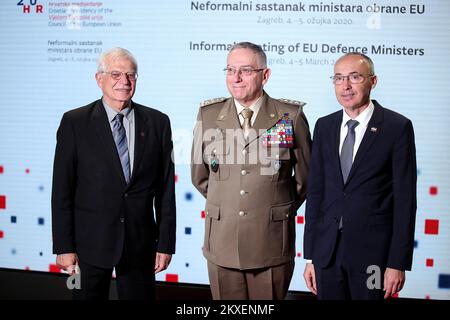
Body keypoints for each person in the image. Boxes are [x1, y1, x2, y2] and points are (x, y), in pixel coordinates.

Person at [51, 47, 176, 300]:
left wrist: (165, 244)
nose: (124, 82)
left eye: (131, 75)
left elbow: (166, 191)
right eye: (116, 74)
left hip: (140, 246)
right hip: (88, 247)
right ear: (100, 79)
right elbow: (62, 190)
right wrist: (64, 246)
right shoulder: (74, 122)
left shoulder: (158, 122)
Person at [191, 42, 311, 300]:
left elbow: (305, 180)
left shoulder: (290, 116)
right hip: (222, 242)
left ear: (265, 75)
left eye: (245, 70)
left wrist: (273, 208)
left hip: (270, 243)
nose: (235, 78)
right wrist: (230, 200)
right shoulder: (208, 115)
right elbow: (199, 176)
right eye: (230, 69)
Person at [303, 53, 417, 300]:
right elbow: (316, 193)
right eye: (339, 78)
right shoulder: (324, 126)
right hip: (327, 254)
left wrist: (397, 263)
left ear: (373, 81)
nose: (345, 86)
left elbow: (405, 201)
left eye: (354, 77)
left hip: (374, 257)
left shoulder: (397, 127)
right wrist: (310, 256)